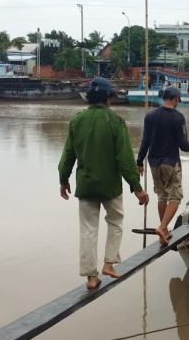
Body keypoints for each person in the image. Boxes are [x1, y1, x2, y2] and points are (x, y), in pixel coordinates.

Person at [58, 77, 149, 290]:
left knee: (88, 230)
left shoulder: (77, 120)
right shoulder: (115, 121)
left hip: (86, 185)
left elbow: (67, 156)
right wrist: (137, 188)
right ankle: (108, 264)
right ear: (109, 97)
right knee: (115, 221)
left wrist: (63, 180)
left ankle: (91, 277)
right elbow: (125, 160)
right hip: (110, 187)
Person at [137, 86, 189, 245]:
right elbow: (183, 144)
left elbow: (145, 141)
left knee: (162, 196)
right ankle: (163, 227)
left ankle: (164, 229)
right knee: (176, 197)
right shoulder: (178, 118)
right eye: (179, 99)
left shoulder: (150, 116)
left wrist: (139, 162)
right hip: (171, 163)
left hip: (153, 163)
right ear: (176, 99)